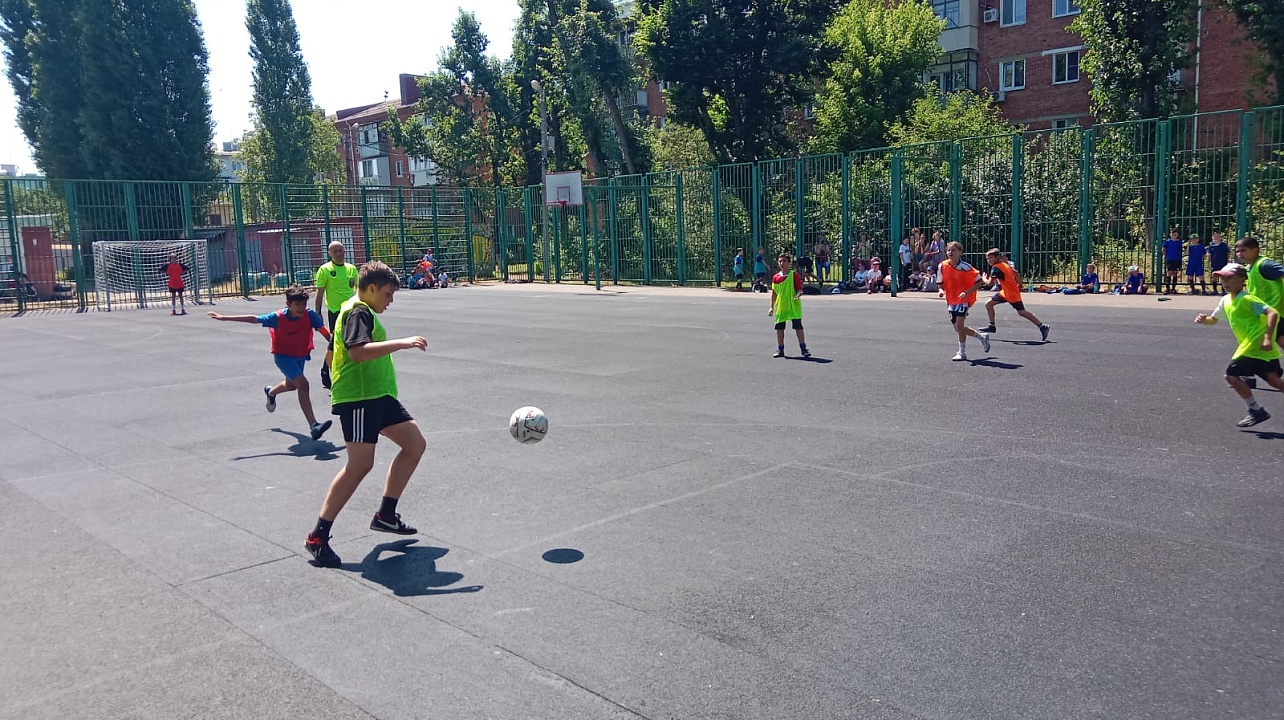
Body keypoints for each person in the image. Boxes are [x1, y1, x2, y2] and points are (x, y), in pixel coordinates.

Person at [305, 261, 429, 568]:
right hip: (359, 398)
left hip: (378, 395)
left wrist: (327, 366)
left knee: (414, 444)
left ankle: (386, 514)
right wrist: (401, 343)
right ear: (371, 288)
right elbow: (358, 351)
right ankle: (317, 536)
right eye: (387, 294)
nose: (390, 300)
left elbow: (340, 348)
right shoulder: (358, 310)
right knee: (359, 466)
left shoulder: (355, 308)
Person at [208, 285, 334, 441]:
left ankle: (271, 392)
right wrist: (224, 317)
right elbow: (255, 319)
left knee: (291, 385)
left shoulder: (310, 315)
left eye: (303, 304)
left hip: (300, 355)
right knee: (303, 384)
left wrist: (334, 343)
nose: (301, 308)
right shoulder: (278, 317)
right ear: (288, 304)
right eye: (297, 304)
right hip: (283, 357)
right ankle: (314, 425)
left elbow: (323, 331)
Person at [1194, 262, 1284, 427]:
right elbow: (1213, 320)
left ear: (1242, 279)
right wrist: (1204, 319)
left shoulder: (1248, 299)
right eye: (1222, 279)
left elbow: (1273, 313)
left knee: (1231, 375)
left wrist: (1267, 337)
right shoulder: (1225, 300)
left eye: (1229, 278)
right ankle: (1256, 410)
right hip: (1256, 348)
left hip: (1253, 344)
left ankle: (1256, 410)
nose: (1225, 282)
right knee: (1274, 380)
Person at [314, 241, 360, 390]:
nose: (339, 254)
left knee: (352, 342)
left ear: (345, 250)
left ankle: (348, 373)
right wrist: (318, 312)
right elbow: (320, 293)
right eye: (335, 251)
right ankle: (326, 370)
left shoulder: (352, 269)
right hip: (335, 312)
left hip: (352, 311)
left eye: (340, 250)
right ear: (330, 253)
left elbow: (358, 290)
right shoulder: (325, 270)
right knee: (335, 343)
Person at [979, 248, 1050, 341]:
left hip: (1011, 293)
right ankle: (992, 325)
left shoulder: (996, 268)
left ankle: (1042, 326)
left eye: (991, 258)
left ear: (997, 257)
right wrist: (1020, 284)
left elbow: (990, 283)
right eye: (987, 259)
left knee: (1021, 312)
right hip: (1005, 292)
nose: (989, 261)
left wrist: (984, 278)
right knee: (988, 304)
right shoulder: (1004, 264)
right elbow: (1016, 272)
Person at [936, 241, 991, 361]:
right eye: (948, 250)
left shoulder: (966, 267)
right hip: (951, 300)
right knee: (958, 328)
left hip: (964, 299)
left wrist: (966, 292)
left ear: (960, 252)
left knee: (960, 325)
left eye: (953, 250)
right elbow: (940, 283)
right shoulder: (942, 266)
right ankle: (981, 337)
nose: (950, 252)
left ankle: (962, 352)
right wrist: (940, 291)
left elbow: (979, 281)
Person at [768, 252, 810, 358]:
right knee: (779, 328)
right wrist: (771, 307)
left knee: (798, 327)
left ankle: (803, 349)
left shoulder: (794, 275)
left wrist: (798, 295)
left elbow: (799, 290)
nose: (782, 263)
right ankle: (780, 349)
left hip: (793, 306)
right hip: (781, 307)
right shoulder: (776, 277)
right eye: (780, 261)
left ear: (789, 263)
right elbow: (774, 293)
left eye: (784, 261)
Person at [1162, 229, 1184, 294]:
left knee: (1175, 273)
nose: (1174, 236)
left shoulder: (1179, 242)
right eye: (1172, 234)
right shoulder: (1167, 242)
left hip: (1177, 259)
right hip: (1170, 259)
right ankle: (1167, 289)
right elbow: (1163, 250)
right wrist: (1167, 255)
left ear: (1177, 235)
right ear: (1170, 235)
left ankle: (1173, 289)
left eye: (1175, 235)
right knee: (1169, 273)